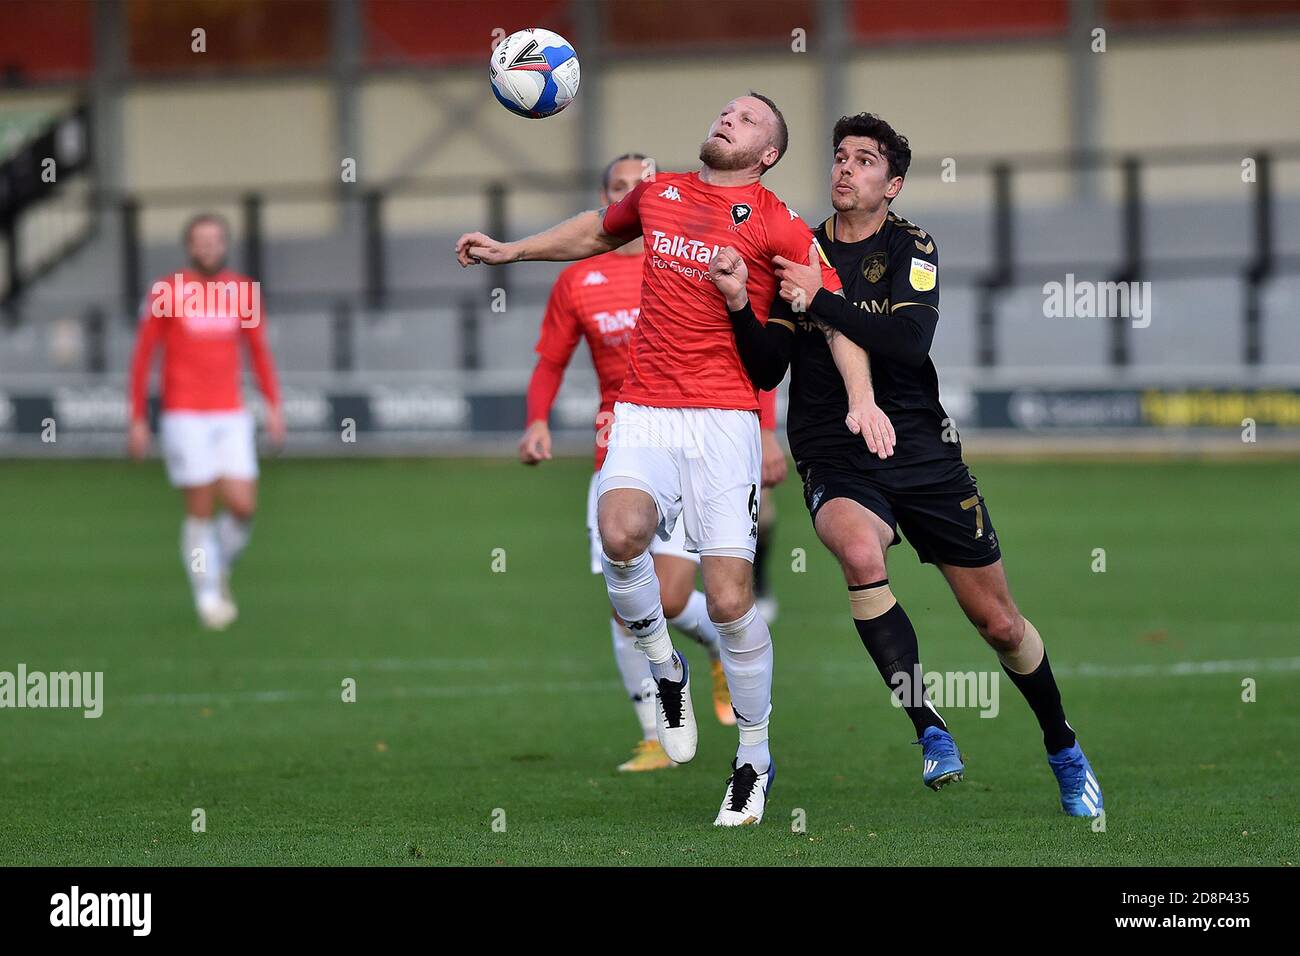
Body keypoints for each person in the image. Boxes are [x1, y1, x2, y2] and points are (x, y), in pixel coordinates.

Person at [457, 94, 866, 826]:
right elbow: (594, 231)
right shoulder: (662, 192)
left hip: (724, 423)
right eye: (725, 110)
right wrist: (511, 249)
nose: (725, 118)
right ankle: (665, 666)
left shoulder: (777, 224)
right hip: (643, 410)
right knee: (619, 533)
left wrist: (859, 399)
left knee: (732, 600)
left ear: (767, 152)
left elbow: (831, 313)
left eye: (745, 118)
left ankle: (753, 760)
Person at [723, 113, 1104, 817]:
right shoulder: (795, 245)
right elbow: (768, 365)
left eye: (865, 161)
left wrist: (825, 297)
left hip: (920, 445)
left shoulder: (912, 245)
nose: (845, 168)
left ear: (892, 184)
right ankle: (929, 727)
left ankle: (1063, 745)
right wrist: (742, 303)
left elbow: (905, 341)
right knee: (860, 553)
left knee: (998, 623)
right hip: (833, 444)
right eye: (839, 156)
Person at [520, 152, 785, 772]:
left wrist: (767, 432)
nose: (637, 195)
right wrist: (536, 419)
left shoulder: (698, 261)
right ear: (612, 203)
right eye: (620, 189)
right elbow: (552, 359)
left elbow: (751, 346)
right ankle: (651, 731)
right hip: (625, 440)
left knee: (669, 598)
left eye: (644, 184)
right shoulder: (580, 280)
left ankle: (719, 647)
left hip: (699, 439)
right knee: (624, 595)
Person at [127, 213, 284, 631]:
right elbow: (143, 355)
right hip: (185, 415)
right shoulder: (167, 290)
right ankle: (207, 596)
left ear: (225, 244)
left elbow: (259, 352)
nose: (209, 246)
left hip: (230, 413)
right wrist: (138, 416)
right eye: (201, 240)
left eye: (216, 239)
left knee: (243, 506)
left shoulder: (243, 291)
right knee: (200, 508)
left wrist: (273, 405)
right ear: (189, 246)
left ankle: (216, 568)